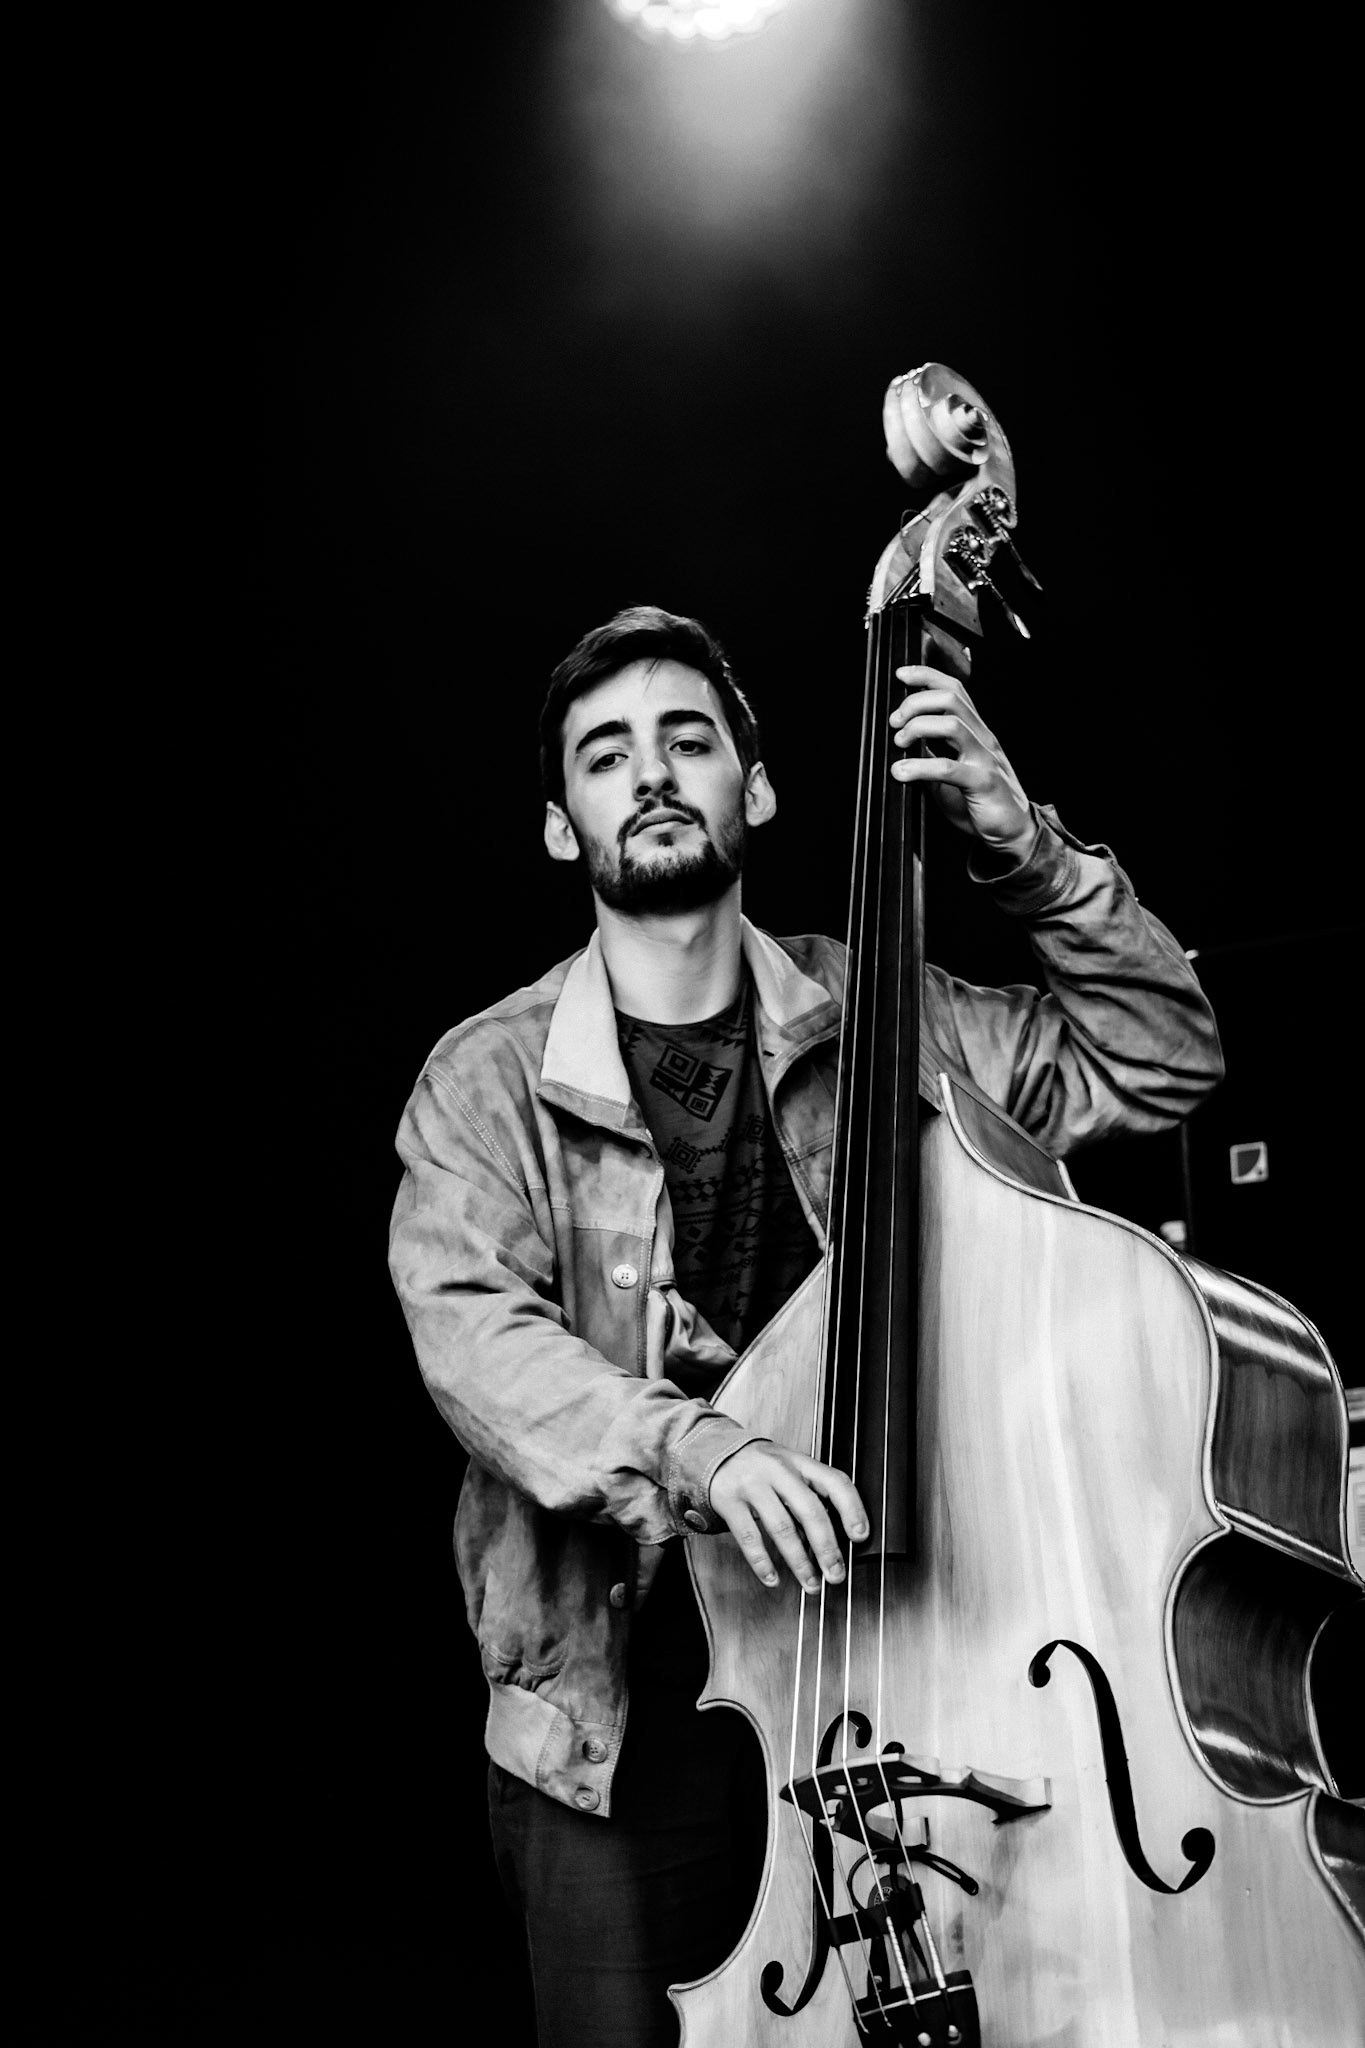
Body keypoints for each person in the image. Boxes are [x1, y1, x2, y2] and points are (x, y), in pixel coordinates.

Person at [387, 604, 1222, 2047]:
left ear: (755, 788)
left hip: (922, 1671)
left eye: (686, 739)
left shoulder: (888, 1013)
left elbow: (1158, 1057)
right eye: (604, 755)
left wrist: (1018, 841)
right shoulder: (486, 1082)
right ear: (556, 823)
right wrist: (701, 1450)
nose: (648, 773)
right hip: (623, 1724)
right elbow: (476, 1339)